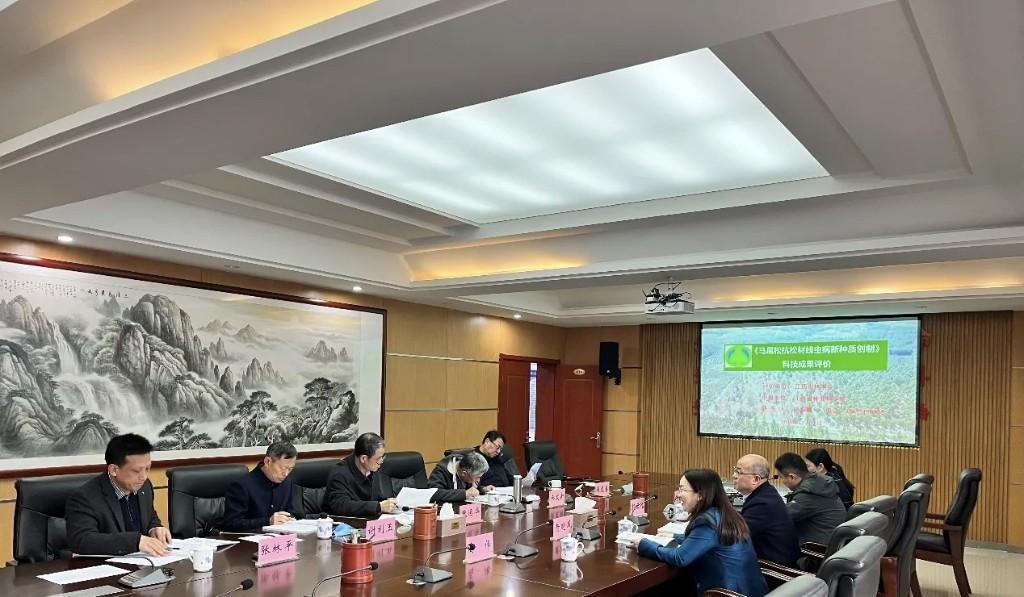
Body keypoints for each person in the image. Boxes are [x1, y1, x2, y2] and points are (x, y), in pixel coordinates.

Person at [634, 468, 768, 596]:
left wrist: (644, 544)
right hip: (749, 591)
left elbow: (679, 558)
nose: (678, 495)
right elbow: (711, 540)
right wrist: (676, 536)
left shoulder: (707, 521)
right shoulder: (724, 513)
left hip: (726, 594)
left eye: (682, 489)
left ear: (700, 495)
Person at [66, 433, 172, 556]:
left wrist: (154, 529)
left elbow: (150, 517)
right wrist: (135, 541)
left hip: (143, 562)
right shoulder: (85, 497)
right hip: (105, 565)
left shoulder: (144, 486)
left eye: (147, 469)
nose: (144, 477)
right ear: (114, 470)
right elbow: (81, 540)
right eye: (136, 471)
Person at [732, 454, 800, 567]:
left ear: (756, 479)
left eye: (738, 472)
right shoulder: (766, 494)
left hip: (773, 570)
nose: (734, 475)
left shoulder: (762, 503)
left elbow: (736, 535)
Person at [222, 441, 298, 532]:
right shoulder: (242, 486)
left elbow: (290, 512)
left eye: (290, 469)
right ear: (268, 461)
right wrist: (268, 521)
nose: (286, 474)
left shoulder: (287, 483)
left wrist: (290, 518)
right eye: (283, 468)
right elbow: (231, 523)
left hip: (280, 537)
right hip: (249, 538)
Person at [774, 452, 846, 545]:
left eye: (781, 477)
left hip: (817, 550)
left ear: (792, 477)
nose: (781, 481)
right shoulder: (819, 482)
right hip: (831, 544)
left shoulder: (808, 494)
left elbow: (778, 517)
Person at [324, 432, 397, 517]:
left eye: (382, 456)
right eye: (378, 458)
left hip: (368, 519)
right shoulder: (339, 474)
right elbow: (341, 506)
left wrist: (387, 502)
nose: (381, 461)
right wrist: (378, 506)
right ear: (363, 458)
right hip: (344, 522)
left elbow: (373, 497)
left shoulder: (372, 467)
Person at [428, 450, 492, 502]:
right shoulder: (441, 470)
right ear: (464, 473)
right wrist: (464, 493)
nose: (478, 480)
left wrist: (482, 489)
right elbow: (434, 493)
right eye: (477, 477)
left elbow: (470, 489)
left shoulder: (468, 468)